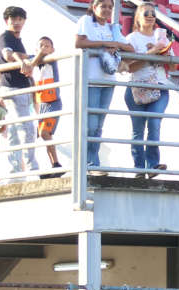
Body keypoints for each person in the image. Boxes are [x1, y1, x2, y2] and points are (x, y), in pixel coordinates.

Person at [74, 0, 134, 170]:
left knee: (99, 125)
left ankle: (93, 163)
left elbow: (131, 49)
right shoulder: (86, 21)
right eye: (103, 6)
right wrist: (103, 44)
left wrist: (116, 44)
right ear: (94, 7)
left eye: (110, 7)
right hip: (91, 80)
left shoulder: (112, 28)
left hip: (108, 80)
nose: (107, 9)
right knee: (91, 124)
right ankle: (88, 163)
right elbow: (79, 43)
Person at [122, 3, 172, 173]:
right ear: (138, 17)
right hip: (137, 87)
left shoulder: (162, 37)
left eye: (153, 13)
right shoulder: (131, 38)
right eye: (146, 13)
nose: (150, 16)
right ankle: (139, 168)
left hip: (160, 86)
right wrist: (152, 53)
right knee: (138, 130)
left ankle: (152, 165)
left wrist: (164, 54)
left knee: (154, 123)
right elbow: (129, 67)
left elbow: (173, 67)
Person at [0, 5, 44, 177]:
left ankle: (15, 171)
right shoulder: (5, 37)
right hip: (12, 88)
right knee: (27, 128)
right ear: (6, 21)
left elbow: (23, 59)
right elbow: (8, 54)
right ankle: (32, 169)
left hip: (21, 88)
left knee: (15, 132)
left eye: (20, 19)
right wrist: (25, 58)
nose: (17, 22)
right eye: (13, 19)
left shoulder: (18, 40)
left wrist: (33, 58)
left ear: (24, 21)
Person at [33, 37, 64, 174]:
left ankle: (56, 164)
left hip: (53, 102)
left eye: (47, 46)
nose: (44, 48)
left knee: (44, 132)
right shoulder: (35, 61)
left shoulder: (51, 59)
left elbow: (40, 59)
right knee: (39, 134)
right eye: (41, 46)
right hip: (42, 103)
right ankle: (53, 164)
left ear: (52, 50)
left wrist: (36, 57)